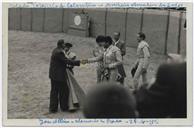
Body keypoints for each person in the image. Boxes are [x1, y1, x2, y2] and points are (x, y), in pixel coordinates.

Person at [49, 39, 81, 113]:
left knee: (54, 91)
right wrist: (79, 63)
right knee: (64, 91)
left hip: (53, 75)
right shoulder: (60, 52)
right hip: (59, 76)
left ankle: (53, 108)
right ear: (61, 45)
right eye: (64, 44)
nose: (65, 46)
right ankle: (64, 107)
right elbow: (67, 61)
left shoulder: (55, 50)